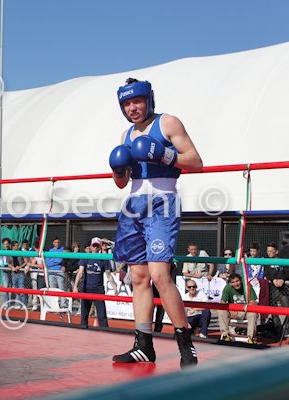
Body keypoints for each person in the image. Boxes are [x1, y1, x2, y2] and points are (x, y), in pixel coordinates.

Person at [109, 78, 203, 368]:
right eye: (127, 104)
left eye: (136, 101)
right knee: (138, 277)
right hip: (134, 204)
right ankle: (143, 345)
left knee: (160, 275)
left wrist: (164, 154)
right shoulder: (126, 134)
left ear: (148, 100)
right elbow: (122, 184)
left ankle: (185, 344)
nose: (132, 108)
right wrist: (118, 170)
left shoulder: (168, 123)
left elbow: (196, 161)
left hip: (163, 201)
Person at [73, 237, 118, 328]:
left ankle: (105, 332)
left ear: (100, 247)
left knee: (102, 316)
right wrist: (75, 286)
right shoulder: (85, 257)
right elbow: (80, 272)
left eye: (97, 246)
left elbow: (108, 274)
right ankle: (83, 331)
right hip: (86, 289)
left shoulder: (103, 258)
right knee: (84, 315)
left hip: (98, 290)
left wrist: (114, 286)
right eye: (94, 245)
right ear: (91, 246)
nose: (95, 247)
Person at [218, 273, 258, 344]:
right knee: (221, 310)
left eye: (237, 281)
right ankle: (225, 334)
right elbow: (222, 302)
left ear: (241, 281)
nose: (236, 284)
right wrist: (230, 310)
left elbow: (252, 302)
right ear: (230, 283)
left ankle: (251, 337)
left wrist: (240, 309)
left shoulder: (247, 286)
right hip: (232, 312)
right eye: (233, 282)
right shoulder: (227, 288)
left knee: (253, 313)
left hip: (245, 311)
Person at [46, 237, 67, 307]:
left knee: (61, 288)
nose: (57, 243)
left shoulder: (63, 249)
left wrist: (53, 260)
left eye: (58, 242)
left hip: (59, 271)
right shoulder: (50, 251)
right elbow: (48, 263)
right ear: (53, 243)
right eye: (55, 242)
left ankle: (63, 304)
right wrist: (56, 261)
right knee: (52, 288)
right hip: (51, 272)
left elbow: (61, 260)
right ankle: (53, 304)